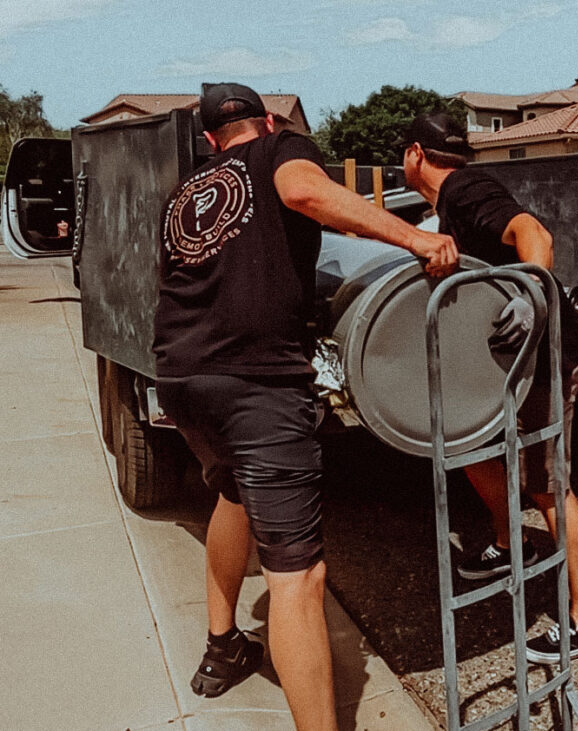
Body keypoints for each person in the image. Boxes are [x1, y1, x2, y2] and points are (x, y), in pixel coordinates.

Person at [153, 83, 458, 731]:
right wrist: (417, 239)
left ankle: (221, 647)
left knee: (232, 494)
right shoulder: (279, 149)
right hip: (256, 381)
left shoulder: (187, 190)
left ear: (210, 139)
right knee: (298, 575)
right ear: (265, 122)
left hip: (181, 379)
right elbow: (305, 193)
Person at [401, 112, 578, 664]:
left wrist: (532, 294)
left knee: (547, 485)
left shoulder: (467, 189)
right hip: (506, 358)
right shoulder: (447, 203)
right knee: (472, 451)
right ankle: (506, 542)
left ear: (415, 154)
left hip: (543, 352)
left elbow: (533, 233)